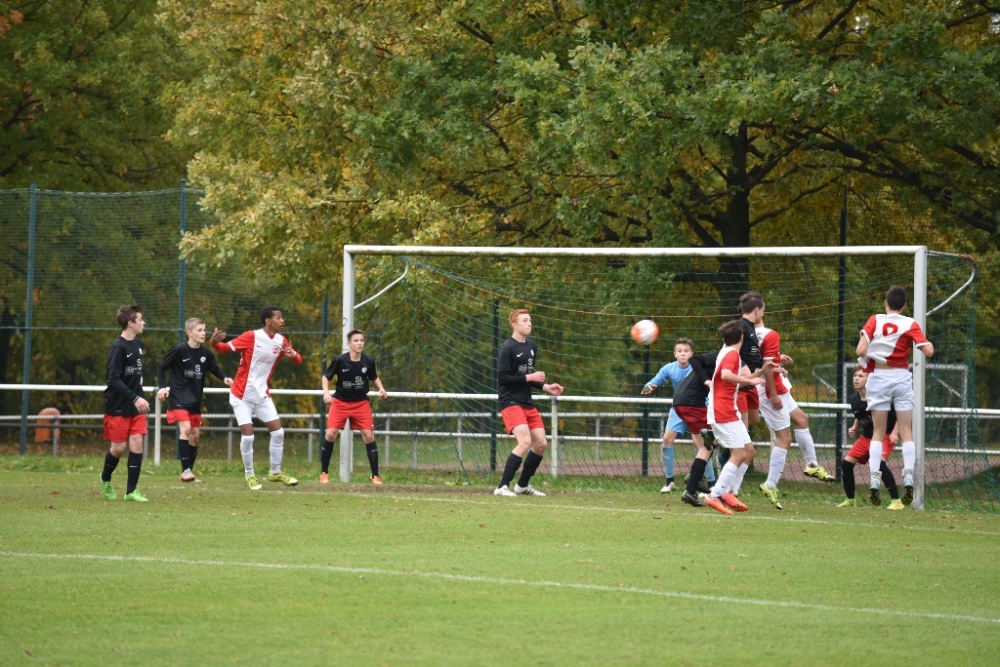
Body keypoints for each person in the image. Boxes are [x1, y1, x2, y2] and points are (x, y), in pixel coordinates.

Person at [754, 302, 836, 510]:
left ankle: (811, 465)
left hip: (775, 386)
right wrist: (773, 394)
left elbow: (760, 360)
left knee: (801, 419)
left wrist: (778, 358)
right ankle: (770, 484)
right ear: (759, 309)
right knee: (784, 438)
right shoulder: (769, 334)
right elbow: (768, 368)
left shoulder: (748, 333)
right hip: (771, 390)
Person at [211, 306, 303, 491]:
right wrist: (213, 343)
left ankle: (275, 473)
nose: (282, 320)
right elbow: (223, 348)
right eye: (278, 317)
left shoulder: (281, 341)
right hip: (241, 396)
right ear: (268, 321)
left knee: (278, 433)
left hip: (262, 396)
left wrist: (293, 355)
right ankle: (250, 475)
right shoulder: (251, 336)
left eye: (282, 317)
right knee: (248, 438)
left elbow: (297, 360)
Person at [857, 285, 934, 505]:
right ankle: (908, 475)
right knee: (906, 430)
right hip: (901, 377)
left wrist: (871, 353)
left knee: (878, 432)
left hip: (879, 378)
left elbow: (860, 350)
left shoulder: (875, 320)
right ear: (905, 305)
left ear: (885, 303)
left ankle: (874, 480)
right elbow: (928, 351)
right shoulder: (910, 323)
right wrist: (924, 344)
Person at [702, 320, 774, 515]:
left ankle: (729, 493)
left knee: (749, 451)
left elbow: (733, 382)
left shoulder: (727, 351)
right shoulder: (732, 354)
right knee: (739, 454)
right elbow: (726, 375)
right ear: (742, 338)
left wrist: (761, 372)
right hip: (722, 410)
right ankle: (715, 495)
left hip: (728, 409)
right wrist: (748, 379)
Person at [494, 309, 564, 497]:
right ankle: (502, 486)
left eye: (530, 320)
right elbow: (503, 378)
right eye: (525, 320)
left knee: (540, 443)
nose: (529, 323)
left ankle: (522, 485)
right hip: (510, 401)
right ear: (514, 325)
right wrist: (529, 376)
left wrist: (546, 386)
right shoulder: (507, 348)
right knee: (524, 441)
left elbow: (529, 378)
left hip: (527, 402)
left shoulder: (532, 346)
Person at [156, 317, 233, 483]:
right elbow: (162, 367)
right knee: (185, 428)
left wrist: (225, 378)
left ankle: (188, 471)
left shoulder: (205, 353)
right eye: (199, 330)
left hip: (194, 401)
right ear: (189, 332)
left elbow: (214, 368)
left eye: (204, 330)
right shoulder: (179, 350)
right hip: (178, 398)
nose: (203, 333)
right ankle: (186, 472)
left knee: (195, 436)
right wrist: (162, 387)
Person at [320, 329, 388, 485]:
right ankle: (324, 473)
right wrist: (326, 394)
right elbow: (326, 377)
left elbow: (373, 376)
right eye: (356, 341)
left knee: (368, 435)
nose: (359, 343)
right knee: (331, 433)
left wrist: (381, 389)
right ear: (349, 343)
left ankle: (375, 476)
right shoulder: (339, 360)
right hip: (340, 403)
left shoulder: (368, 360)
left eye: (361, 340)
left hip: (361, 403)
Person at [100, 305, 151, 502]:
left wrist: (140, 382)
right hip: (119, 404)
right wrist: (135, 397)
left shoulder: (137, 344)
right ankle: (105, 478)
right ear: (130, 323)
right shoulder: (118, 347)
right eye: (140, 319)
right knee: (119, 448)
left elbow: (135, 371)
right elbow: (113, 379)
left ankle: (131, 492)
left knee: (137, 443)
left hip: (136, 404)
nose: (143, 322)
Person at [838, 368, 903, 510]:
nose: (856, 378)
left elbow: (899, 414)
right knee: (846, 464)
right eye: (855, 375)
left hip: (884, 436)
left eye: (861, 376)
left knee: (879, 464)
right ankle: (850, 500)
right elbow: (860, 414)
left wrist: (895, 433)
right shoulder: (854, 399)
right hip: (867, 437)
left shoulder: (880, 397)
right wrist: (854, 426)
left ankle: (896, 501)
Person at [641, 338, 696, 493]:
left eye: (686, 351)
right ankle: (669, 481)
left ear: (691, 354)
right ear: (675, 354)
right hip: (678, 409)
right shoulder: (669, 368)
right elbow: (655, 380)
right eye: (680, 351)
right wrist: (649, 386)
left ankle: (708, 483)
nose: (683, 354)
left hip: (698, 409)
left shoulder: (697, 368)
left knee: (701, 444)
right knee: (667, 439)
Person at [670, 349, 722, 507]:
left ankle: (695, 478)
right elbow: (695, 360)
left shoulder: (731, 357)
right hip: (691, 402)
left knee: (704, 445)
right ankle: (691, 488)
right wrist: (706, 381)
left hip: (683, 401)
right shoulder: (723, 355)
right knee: (710, 443)